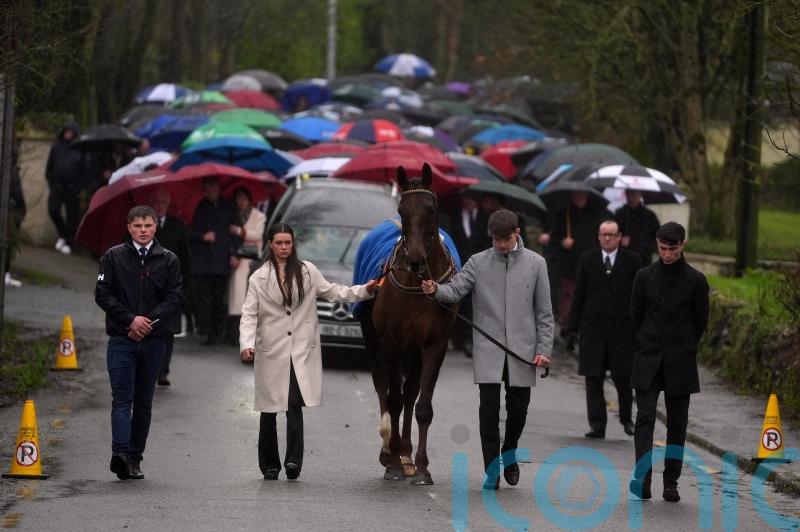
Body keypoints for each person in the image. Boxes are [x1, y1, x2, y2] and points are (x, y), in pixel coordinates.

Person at [421, 209, 554, 490]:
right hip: (488, 349)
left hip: (523, 351)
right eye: (496, 240)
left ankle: (510, 451)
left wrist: (544, 349)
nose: (501, 245)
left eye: (505, 240)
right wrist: (435, 290)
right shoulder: (478, 262)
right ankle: (492, 468)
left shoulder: (536, 264)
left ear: (517, 233)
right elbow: (455, 290)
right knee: (488, 413)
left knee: (518, 412)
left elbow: (544, 312)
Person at [239, 223, 377, 481]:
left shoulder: (307, 271)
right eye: (279, 243)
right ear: (270, 244)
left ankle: (293, 461)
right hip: (271, 350)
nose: (283, 248)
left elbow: (335, 291)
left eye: (287, 243)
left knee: (293, 403)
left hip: (300, 349)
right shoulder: (259, 277)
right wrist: (247, 343)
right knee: (268, 409)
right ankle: (269, 464)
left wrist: (365, 290)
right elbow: (249, 313)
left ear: (293, 244)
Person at [95, 205, 183, 480]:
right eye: (137, 226)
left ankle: (135, 457)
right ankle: (120, 453)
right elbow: (103, 294)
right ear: (129, 227)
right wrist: (130, 320)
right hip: (122, 339)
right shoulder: (113, 256)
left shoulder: (168, 260)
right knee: (122, 398)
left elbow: (174, 297)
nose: (143, 230)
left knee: (143, 401)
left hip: (153, 341)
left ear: (155, 226)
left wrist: (148, 323)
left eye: (147, 225)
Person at [629, 222, 709, 503]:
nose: (666, 254)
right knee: (645, 417)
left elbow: (701, 321)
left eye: (672, 249)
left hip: (680, 359)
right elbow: (635, 316)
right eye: (662, 248)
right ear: (657, 243)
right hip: (648, 355)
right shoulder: (644, 277)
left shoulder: (695, 281)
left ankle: (671, 481)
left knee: (678, 424)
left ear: (683, 245)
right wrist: (647, 342)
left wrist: (684, 345)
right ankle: (643, 476)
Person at [567, 220, 641, 439]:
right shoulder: (587, 259)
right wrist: (572, 328)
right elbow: (578, 295)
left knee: (624, 378)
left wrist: (639, 329)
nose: (607, 238)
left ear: (619, 237)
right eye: (603, 234)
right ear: (598, 236)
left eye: (611, 234)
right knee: (593, 378)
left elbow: (638, 297)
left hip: (622, 330)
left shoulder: (633, 260)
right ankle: (597, 425)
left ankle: (627, 419)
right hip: (593, 330)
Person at [540, 191, 605, 329]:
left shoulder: (596, 215)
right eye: (576, 196)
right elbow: (553, 239)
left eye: (582, 196)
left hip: (590, 262)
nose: (579, 199)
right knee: (568, 295)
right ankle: (568, 326)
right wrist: (563, 242)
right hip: (569, 264)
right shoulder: (564, 214)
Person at [188, 176, 239, 345]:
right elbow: (189, 231)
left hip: (221, 259)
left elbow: (236, 232)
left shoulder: (229, 206)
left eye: (214, 187)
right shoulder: (200, 206)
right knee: (205, 298)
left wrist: (235, 254)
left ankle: (218, 329)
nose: (211, 190)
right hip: (203, 261)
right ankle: (208, 330)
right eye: (208, 187)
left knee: (219, 297)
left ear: (218, 188)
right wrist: (203, 236)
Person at [151, 189, 192, 386]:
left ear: (168, 205)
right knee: (150, 327)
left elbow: (186, 258)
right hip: (148, 285)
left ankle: (163, 371)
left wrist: (185, 287)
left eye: (163, 203)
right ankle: (149, 368)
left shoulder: (178, 226)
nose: (160, 207)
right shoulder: (144, 226)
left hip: (171, 287)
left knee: (168, 330)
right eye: (157, 203)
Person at [448, 194, 489, 357]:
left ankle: (473, 340)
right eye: (466, 196)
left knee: (476, 303)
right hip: (460, 265)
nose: (469, 200)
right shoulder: (455, 217)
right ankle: (460, 338)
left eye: (471, 196)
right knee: (460, 301)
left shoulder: (486, 218)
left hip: (480, 266)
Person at [225, 187, 266, 345]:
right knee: (236, 299)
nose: (241, 202)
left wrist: (240, 231)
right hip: (237, 259)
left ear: (249, 200)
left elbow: (257, 235)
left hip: (251, 260)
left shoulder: (258, 215)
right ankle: (234, 334)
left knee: (249, 299)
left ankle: (247, 335)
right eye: (238, 198)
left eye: (244, 198)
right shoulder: (234, 215)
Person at [45, 123, 84, 255]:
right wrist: (51, 181)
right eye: (66, 132)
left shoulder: (80, 149)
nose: (68, 134)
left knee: (72, 216)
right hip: (57, 185)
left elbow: (84, 170)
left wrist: (79, 187)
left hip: (73, 188)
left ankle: (69, 243)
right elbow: (50, 166)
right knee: (53, 210)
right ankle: (63, 233)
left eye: (71, 132)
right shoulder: (56, 147)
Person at [614, 190, 660, 266]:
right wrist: (620, 240)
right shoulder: (619, 214)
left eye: (634, 195)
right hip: (623, 260)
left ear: (640, 195)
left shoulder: (649, 215)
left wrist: (647, 248)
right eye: (628, 194)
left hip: (644, 260)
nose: (631, 198)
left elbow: (658, 236)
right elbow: (612, 234)